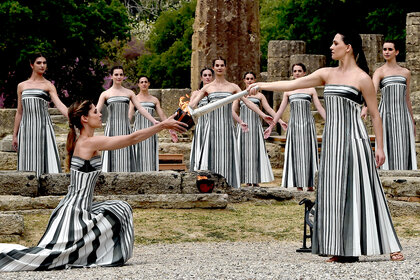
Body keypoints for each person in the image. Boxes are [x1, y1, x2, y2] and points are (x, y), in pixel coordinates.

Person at [249, 30, 403, 262]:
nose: (331, 47)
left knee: (366, 190)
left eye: (335, 43)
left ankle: (390, 244)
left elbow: (375, 115)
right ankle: (342, 249)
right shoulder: (326, 73)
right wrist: (263, 85)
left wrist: (379, 147)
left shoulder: (362, 78)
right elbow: (293, 84)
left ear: (348, 47)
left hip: (354, 141)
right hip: (332, 142)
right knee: (332, 193)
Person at [0, 100, 187, 271]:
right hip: (74, 211)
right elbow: (132, 139)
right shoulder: (88, 142)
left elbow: (131, 138)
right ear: (84, 119)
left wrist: (167, 121)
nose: (100, 114)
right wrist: (162, 125)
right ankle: (100, 256)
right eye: (96, 112)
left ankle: (95, 254)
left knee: (120, 208)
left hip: (82, 206)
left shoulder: (87, 140)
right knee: (49, 255)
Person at [189, 57, 273, 189]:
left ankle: (229, 185)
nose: (220, 67)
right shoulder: (207, 87)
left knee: (227, 156)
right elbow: (193, 104)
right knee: (212, 155)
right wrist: (188, 109)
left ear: (226, 68)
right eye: (217, 65)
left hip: (227, 127)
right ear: (214, 67)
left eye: (222, 65)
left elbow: (247, 101)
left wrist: (263, 115)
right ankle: (212, 185)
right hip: (211, 127)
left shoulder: (233, 87)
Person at [265, 63, 326, 191]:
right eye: (295, 71)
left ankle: (310, 184)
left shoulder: (311, 89)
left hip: (308, 125)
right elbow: (280, 110)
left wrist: (330, 121)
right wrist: (272, 126)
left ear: (304, 73)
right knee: (295, 152)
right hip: (294, 125)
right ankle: (298, 184)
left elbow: (319, 107)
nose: (297, 73)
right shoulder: (288, 90)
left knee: (309, 152)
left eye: (299, 71)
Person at [362, 40, 417, 170]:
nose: (386, 52)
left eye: (390, 49)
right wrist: (365, 108)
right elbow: (372, 92)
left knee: (403, 147)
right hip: (386, 115)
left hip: (403, 116)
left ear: (396, 52)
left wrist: (412, 120)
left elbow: (407, 98)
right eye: (384, 49)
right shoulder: (379, 72)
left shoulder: (405, 73)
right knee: (387, 145)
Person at [12, 53, 68, 177]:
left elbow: (59, 104)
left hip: (43, 128)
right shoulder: (22, 86)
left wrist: (72, 116)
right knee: (27, 159)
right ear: (32, 65)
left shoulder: (48, 85)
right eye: (39, 63)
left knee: (45, 158)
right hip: (26, 129)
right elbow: (19, 111)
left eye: (44, 63)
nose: (42, 65)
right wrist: (15, 134)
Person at [96, 66, 158, 172]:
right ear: (111, 76)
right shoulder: (105, 94)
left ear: (124, 77)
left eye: (121, 74)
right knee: (111, 155)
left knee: (126, 156)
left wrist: (153, 120)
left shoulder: (129, 93)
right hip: (111, 129)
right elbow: (96, 111)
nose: (119, 77)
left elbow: (141, 109)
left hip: (125, 128)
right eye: (116, 74)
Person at [232, 71, 286, 187]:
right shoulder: (240, 95)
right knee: (243, 152)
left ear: (255, 80)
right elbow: (232, 111)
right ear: (244, 80)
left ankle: (255, 179)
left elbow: (269, 110)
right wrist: (239, 123)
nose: (249, 80)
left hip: (256, 127)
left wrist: (280, 121)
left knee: (256, 153)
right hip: (243, 128)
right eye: (247, 78)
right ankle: (245, 179)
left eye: (252, 78)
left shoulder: (260, 96)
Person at [128, 76, 178, 172]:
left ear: (149, 84)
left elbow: (162, 115)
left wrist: (170, 129)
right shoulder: (134, 99)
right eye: (141, 82)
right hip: (138, 131)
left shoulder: (154, 100)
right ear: (138, 84)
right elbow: (129, 115)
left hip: (151, 132)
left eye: (146, 82)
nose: (144, 84)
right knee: (137, 155)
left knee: (150, 155)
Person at [189, 67, 214, 171]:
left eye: (209, 75)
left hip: (214, 125)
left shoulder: (216, 93)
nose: (207, 77)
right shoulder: (196, 93)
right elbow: (191, 109)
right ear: (201, 78)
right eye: (205, 75)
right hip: (202, 125)